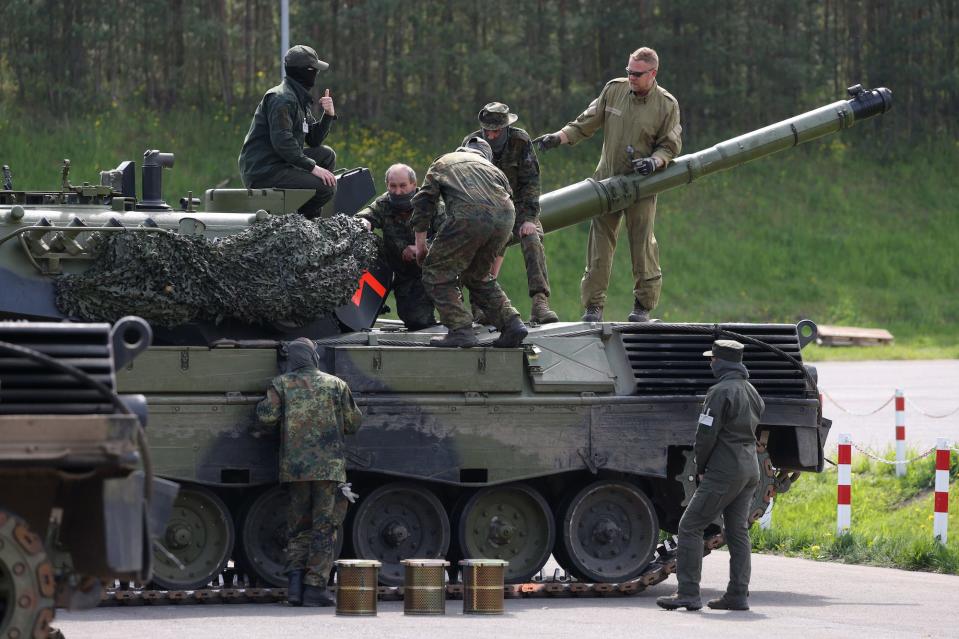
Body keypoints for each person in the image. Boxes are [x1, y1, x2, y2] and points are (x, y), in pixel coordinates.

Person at [533, 47, 681, 323]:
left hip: (641, 186)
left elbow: (670, 147)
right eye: (628, 72)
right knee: (599, 247)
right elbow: (586, 121)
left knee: (642, 246)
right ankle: (594, 307)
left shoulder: (666, 105)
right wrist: (558, 137)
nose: (631, 77)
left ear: (653, 73)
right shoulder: (614, 90)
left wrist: (654, 162)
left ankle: (642, 307)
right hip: (606, 183)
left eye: (637, 74)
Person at [656, 339, 765, 612]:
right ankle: (738, 595)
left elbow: (705, 435)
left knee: (690, 526)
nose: (710, 363)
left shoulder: (719, 392)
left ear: (722, 362)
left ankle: (688, 593)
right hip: (750, 468)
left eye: (713, 359)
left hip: (724, 470)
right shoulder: (751, 390)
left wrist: (700, 467)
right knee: (738, 531)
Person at [255, 337, 362, 607]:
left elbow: (266, 418)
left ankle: (293, 587)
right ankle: (315, 588)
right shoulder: (336, 384)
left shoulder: (281, 384)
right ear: (315, 357)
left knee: (298, 527)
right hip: (329, 469)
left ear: (292, 360)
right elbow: (353, 423)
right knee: (324, 528)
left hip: (295, 468)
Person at [410, 137, 528, 349]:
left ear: (462, 149)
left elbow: (424, 201)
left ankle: (460, 329)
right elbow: (507, 202)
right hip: (506, 218)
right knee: (478, 276)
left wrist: (421, 246)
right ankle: (512, 324)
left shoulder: (445, 161)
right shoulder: (494, 170)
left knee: (436, 272)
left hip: (468, 215)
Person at [463, 102, 558, 324]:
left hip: (517, 208)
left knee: (533, 239)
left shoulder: (520, 141)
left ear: (506, 128)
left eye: (496, 131)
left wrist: (529, 219)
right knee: (478, 250)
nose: (491, 135)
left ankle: (540, 302)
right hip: (486, 211)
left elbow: (531, 182)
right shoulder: (472, 143)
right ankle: (480, 306)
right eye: (487, 130)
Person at [238, 45, 338, 219]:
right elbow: (283, 142)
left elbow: (314, 139)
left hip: (280, 162)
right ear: (306, 71)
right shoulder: (281, 98)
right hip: (265, 170)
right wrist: (312, 167)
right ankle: (299, 224)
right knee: (326, 188)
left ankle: (309, 217)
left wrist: (328, 115)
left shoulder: (298, 98)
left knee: (326, 155)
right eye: (315, 70)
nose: (316, 74)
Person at [356, 164, 438, 330]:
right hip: (397, 271)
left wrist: (422, 247)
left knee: (420, 319)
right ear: (387, 185)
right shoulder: (384, 203)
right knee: (414, 320)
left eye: (403, 186)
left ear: (413, 185)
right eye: (393, 186)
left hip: (426, 271)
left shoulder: (431, 205)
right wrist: (363, 223)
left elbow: (450, 237)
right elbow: (366, 216)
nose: (398, 191)